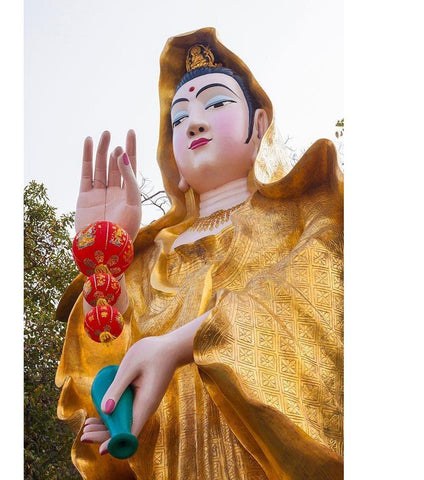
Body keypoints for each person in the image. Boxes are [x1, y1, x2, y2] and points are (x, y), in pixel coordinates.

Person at [55, 27, 343, 479]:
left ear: (261, 124)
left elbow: (310, 302)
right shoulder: (151, 257)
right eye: (179, 117)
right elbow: (108, 364)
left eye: (216, 102)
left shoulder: (309, 212)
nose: (194, 121)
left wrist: (177, 345)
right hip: (173, 454)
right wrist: (105, 257)